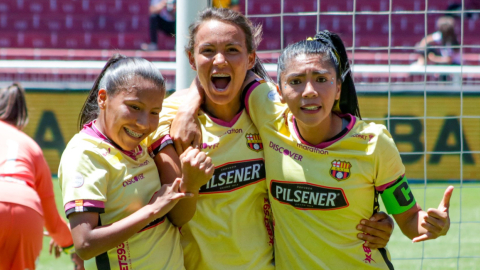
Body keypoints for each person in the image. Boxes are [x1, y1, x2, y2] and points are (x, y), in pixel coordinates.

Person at [151, 8, 396, 270]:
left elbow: (320, 169)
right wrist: (189, 107)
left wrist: (375, 219)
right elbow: (175, 216)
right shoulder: (169, 116)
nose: (220, 60)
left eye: (232, 50)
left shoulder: (271, 113)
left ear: (250, 58)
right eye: (208, 50)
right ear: (191, 58)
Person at [242, 30, 454, 269]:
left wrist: (432, 224)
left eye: (321, 79)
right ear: (279, 90)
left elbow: (409, 219)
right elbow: (226, 69)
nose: (310, 90)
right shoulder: (270, 120)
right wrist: (190, 101)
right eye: (296, 81)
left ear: (339, 88)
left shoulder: (373, 142)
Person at [58, 54, 213, 269]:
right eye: (135, 107)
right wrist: (152, 209)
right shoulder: (84, 153)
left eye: (154, 112)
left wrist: (191, 184)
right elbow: (85, 244)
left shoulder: (142, 148)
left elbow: (178, 219)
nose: (144, 123)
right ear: (103, 99)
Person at [0, 83, 77, 270]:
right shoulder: (33, 148)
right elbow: (52, 222)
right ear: (23, 118)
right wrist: (71, 244)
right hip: (27, 213)